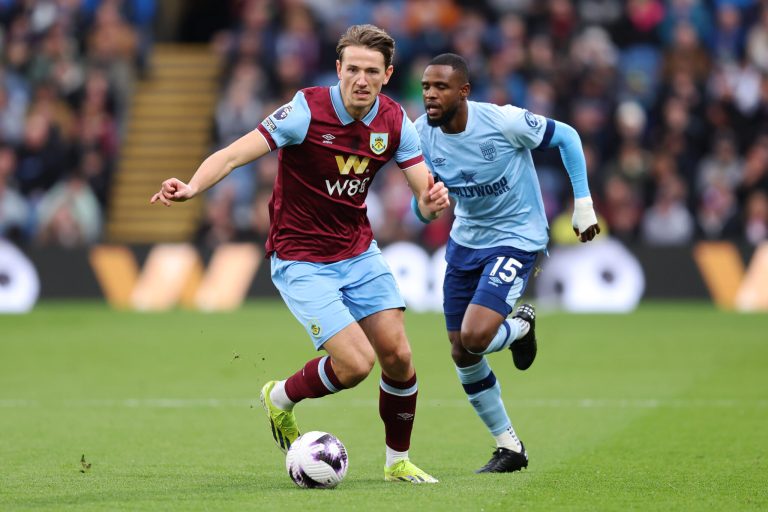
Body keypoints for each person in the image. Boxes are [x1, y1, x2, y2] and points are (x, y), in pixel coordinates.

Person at [150, 25, 449, 484]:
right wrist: (192, 187)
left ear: (387, 74)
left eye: (372, 71)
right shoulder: (304, 110)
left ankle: (397, 463)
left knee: (399, 355)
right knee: (355, 365)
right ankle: (281, 398)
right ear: (338, 69)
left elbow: (423, 195)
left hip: (358, 250)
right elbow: (232, 155)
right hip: (301, 257)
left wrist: (428, 206)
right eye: (352, 69)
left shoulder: (395, 122)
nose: (361, 80)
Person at [414, 53, 600, 473]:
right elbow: (420, 208)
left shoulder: (504, 122)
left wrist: (583, 203)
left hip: (517, 239)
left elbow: (568, 136)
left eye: (440, 87)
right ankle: (510, 447)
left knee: (476, 336)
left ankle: (520, 327)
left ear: (463, 91)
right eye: (426, 86)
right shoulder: (420, 135)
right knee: (461, 352)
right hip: (465, 241)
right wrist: (425, 208)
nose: (430, 95)